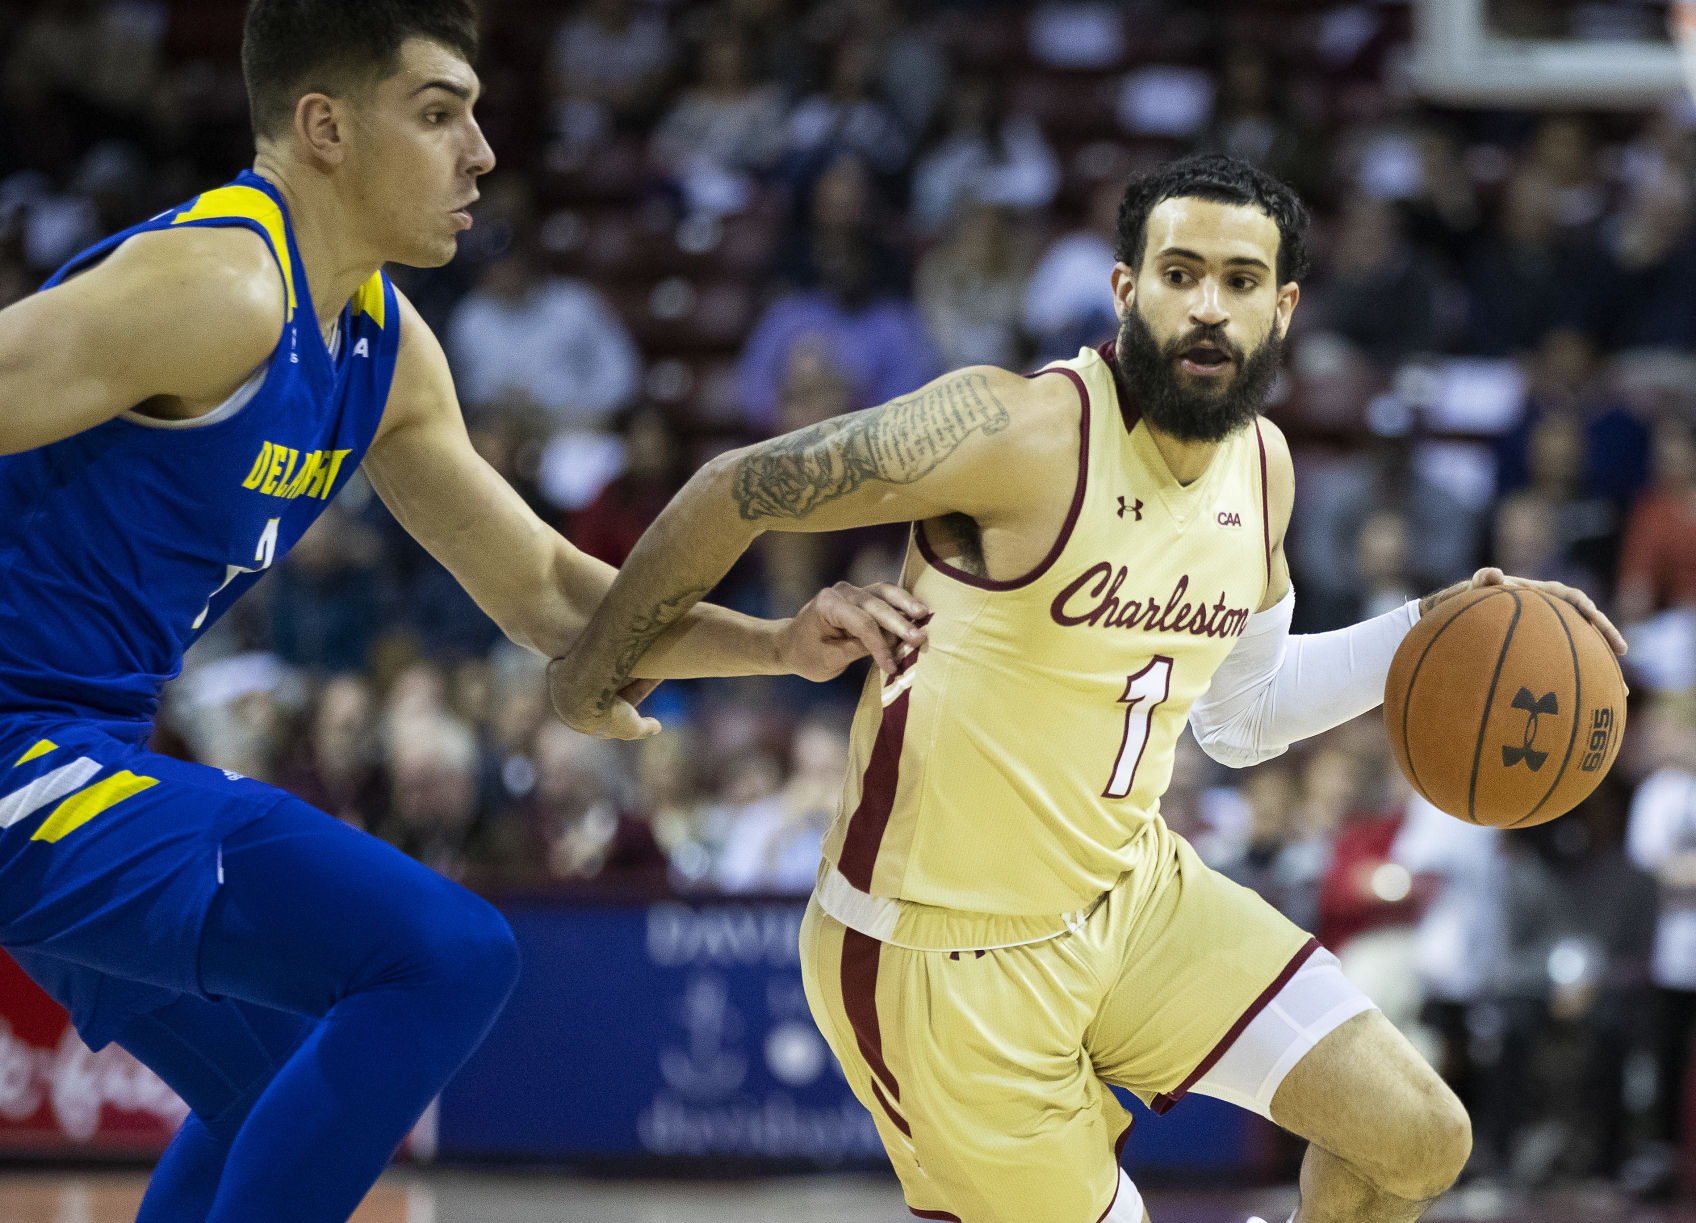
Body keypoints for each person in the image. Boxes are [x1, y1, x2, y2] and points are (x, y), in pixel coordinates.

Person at [551, 154, 1629, 1223]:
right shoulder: (1015, 432)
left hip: (1131, 894)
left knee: (1417, 1140)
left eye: (1240, 281)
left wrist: (1422, 632)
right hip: (939, 959)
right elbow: (734, 488)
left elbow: (1242, 715)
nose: (1208, 306)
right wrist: (593, 674)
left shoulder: (1264, 466)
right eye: (1180, 272)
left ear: (1284, 308)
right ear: (1126, 289)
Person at [0, 4, 922, 1222]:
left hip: (86, 749)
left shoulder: (383, 341)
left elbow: (545, 591)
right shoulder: (214, 282)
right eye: (438, 114)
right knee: (448, 954)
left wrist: (773, 645)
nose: (482, 150)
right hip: (23, 751)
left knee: (273, 1075)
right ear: (323, 127)